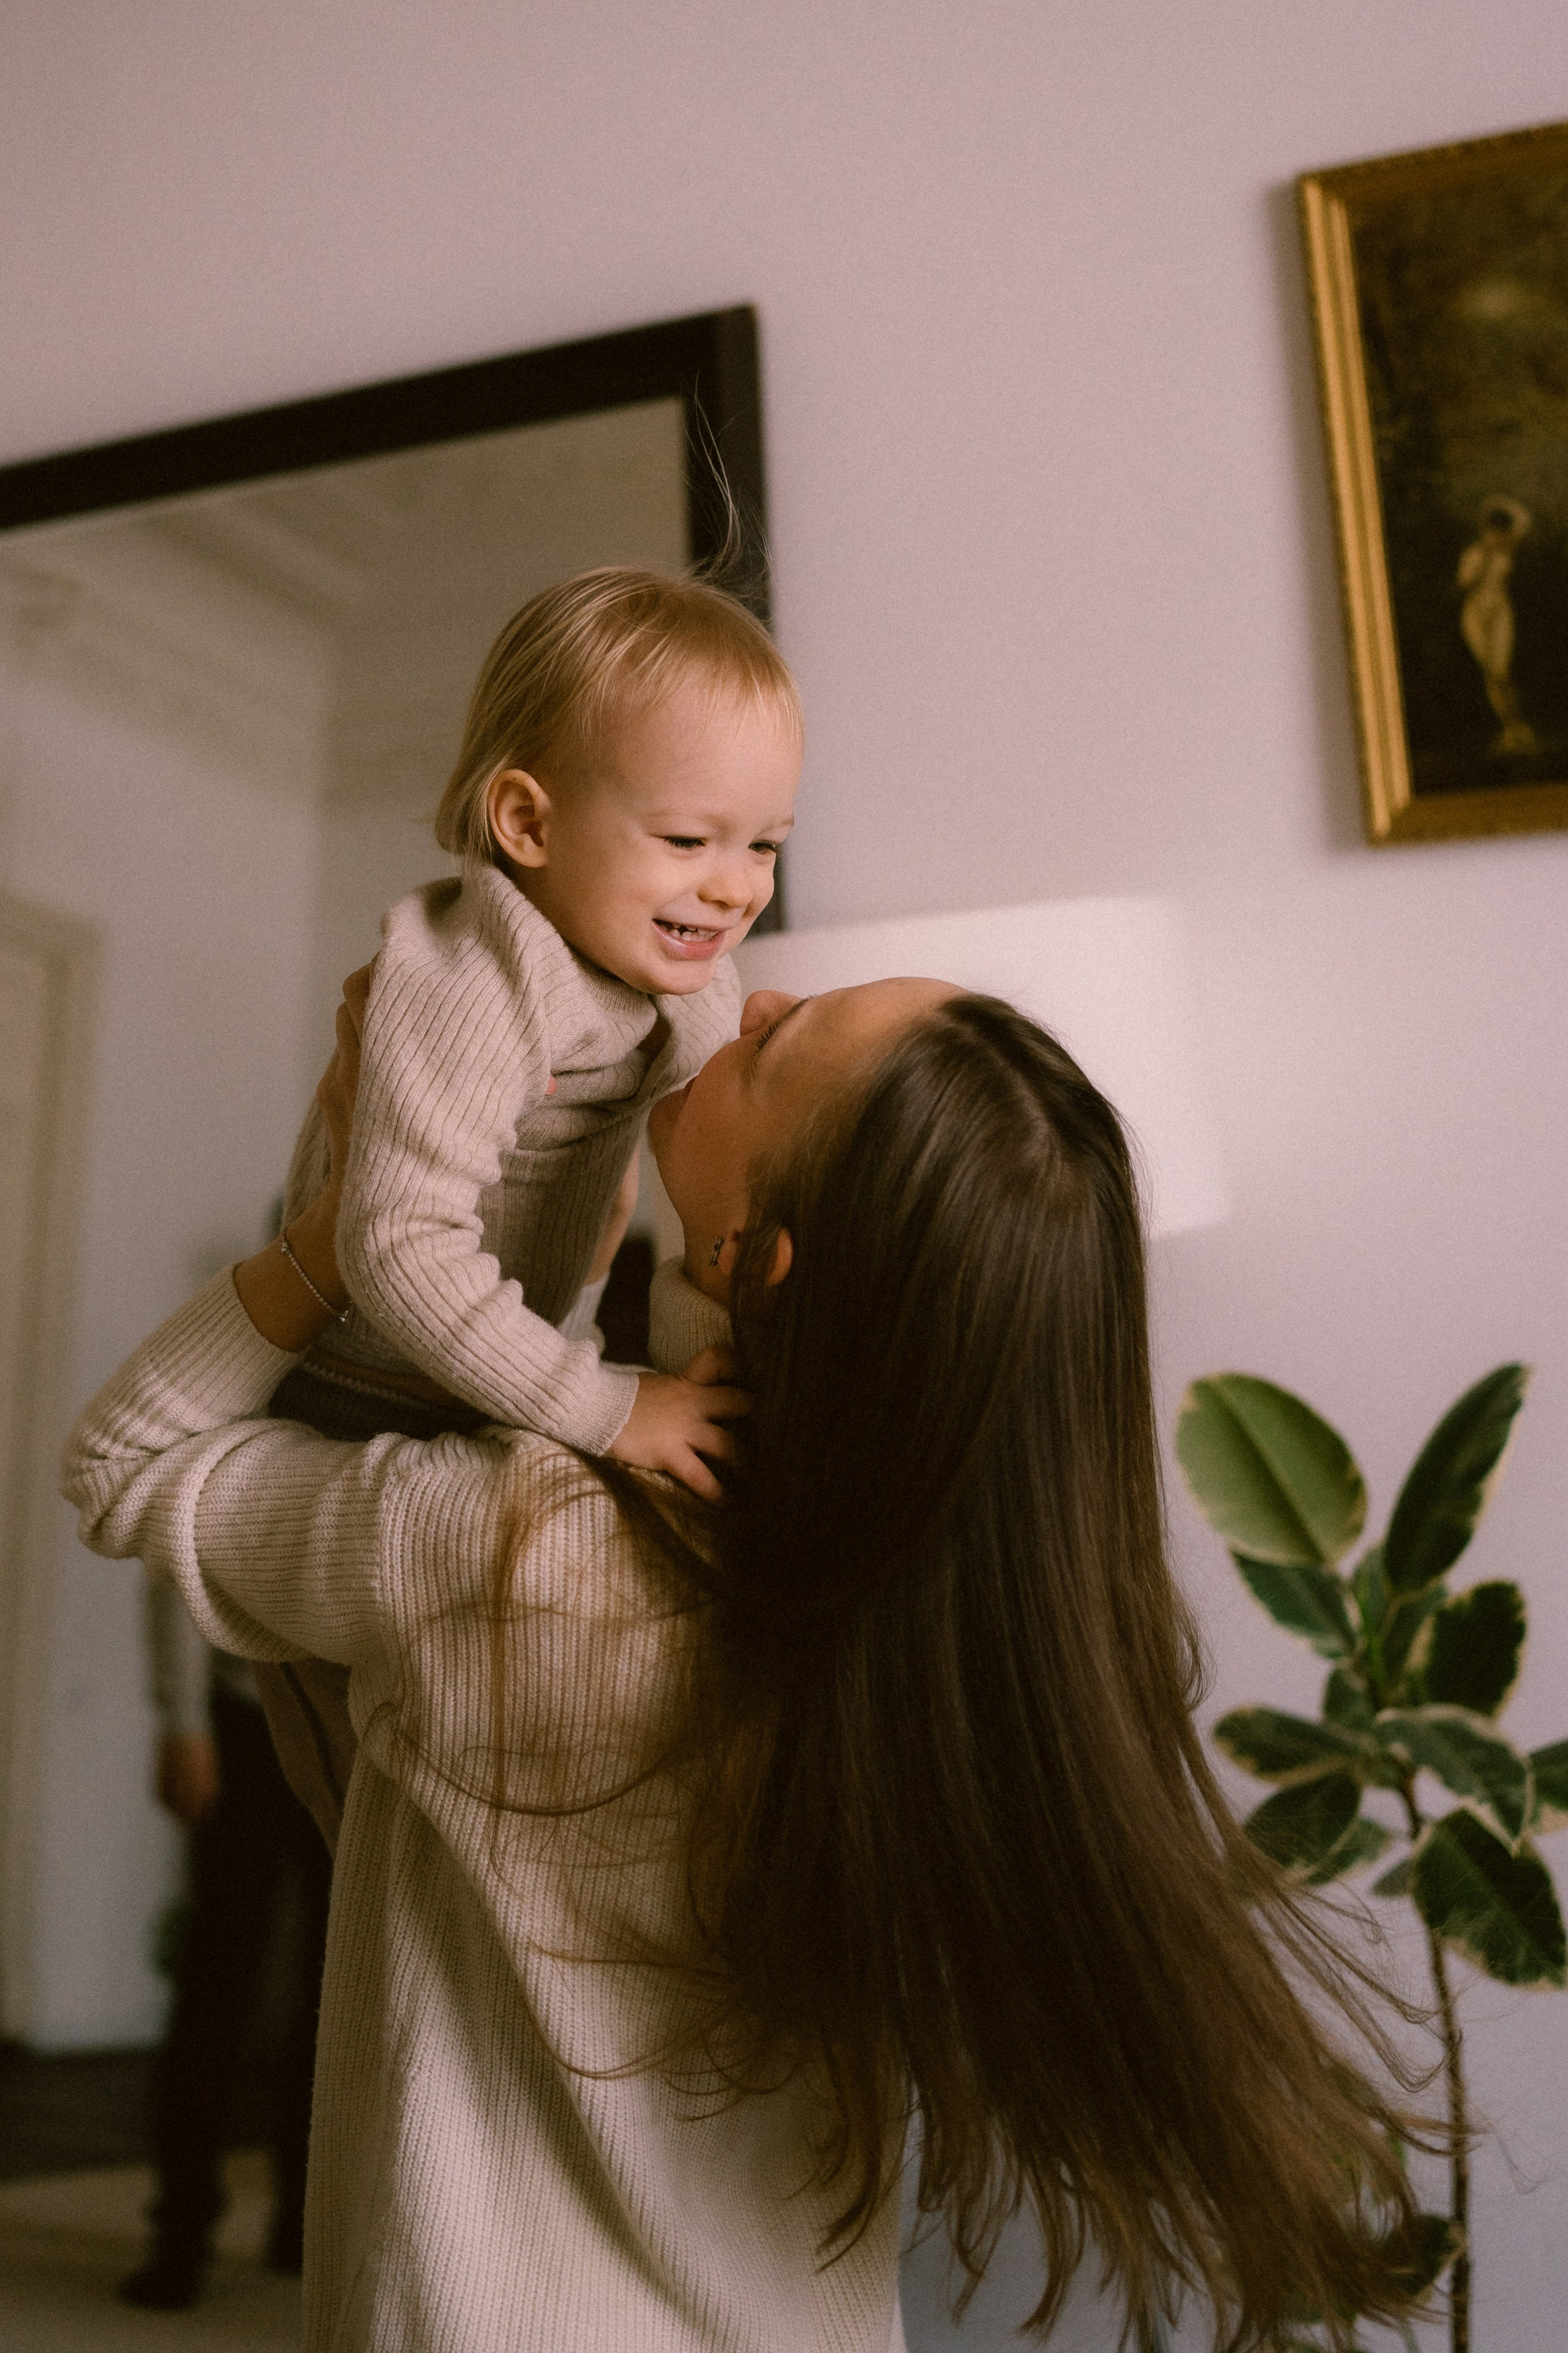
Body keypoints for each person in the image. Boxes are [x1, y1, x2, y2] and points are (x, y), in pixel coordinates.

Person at [63, 973, 1430, 2352]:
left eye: (772, 1043)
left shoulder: (532, 1555)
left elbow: (127, 1466)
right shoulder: (927, 1619)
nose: (754, 995)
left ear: (749, 1254)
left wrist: (344, 1230)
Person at [254, 564, 802, 1845]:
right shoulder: (466, 974)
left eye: (763, 844)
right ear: (526, 822)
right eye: (688, 839)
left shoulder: (678, 969)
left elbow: (733, 1141)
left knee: (485, 1730)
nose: (732, 887)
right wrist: (608, 1403)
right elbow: (393, 1250)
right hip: (355, 1390)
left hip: (493, 1368)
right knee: (367, 1778)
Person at [121, 1591, 331, 2310]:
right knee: (218, 1977)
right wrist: (182, 1722)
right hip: (246, 1719)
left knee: (340, 1993)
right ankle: (179, 2236)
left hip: (364, 1726)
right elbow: (176, 1561)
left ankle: (301, 2226)